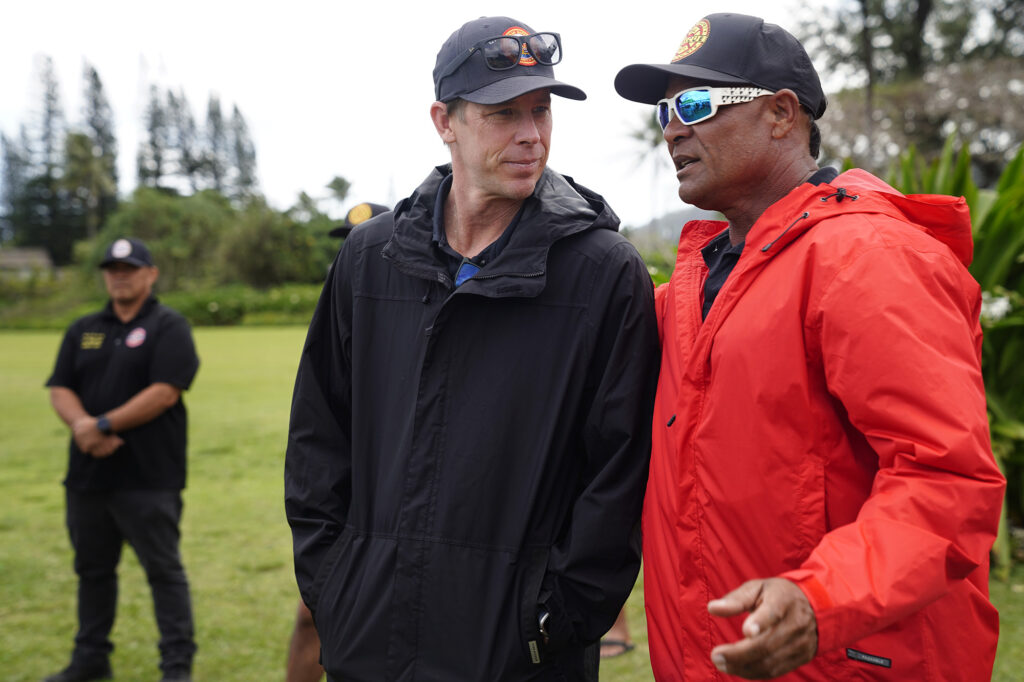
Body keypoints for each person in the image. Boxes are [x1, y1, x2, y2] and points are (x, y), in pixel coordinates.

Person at [614, 13, 1005, 681]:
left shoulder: (867, 257)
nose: (675, 127)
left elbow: (946, 480)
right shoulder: (691, 289)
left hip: (851, 660)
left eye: (698, 103)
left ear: (780, 114)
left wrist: (822, 599)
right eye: (666, 110)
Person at [285, 15, 659, 681]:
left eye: (542, 110)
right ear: (444, 120)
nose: (531, 135)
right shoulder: (370, 261)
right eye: (503, 112)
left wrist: (552, 621)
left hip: (521, 655)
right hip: (370, 638)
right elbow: (319, 435)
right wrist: (334, 586)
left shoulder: (603, 272)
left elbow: (619, 473)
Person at [44, 237, 200, 682]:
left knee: (163, 572)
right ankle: (90, 658)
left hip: (149, 477)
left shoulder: (169, 326)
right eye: (112, 269)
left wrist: (104, 425)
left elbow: (166, 390)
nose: (119, 275)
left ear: (150, 274)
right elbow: (60, 387)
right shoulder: (84, 328)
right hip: (88, 476)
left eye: (129, 268)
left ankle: (176, 667)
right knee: (92, 571)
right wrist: (83, 428)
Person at [285, 202, 388, 682]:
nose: (352, 249)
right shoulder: (341, 296)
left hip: (392, 498)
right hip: (341, 493)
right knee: (312, 614)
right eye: (345, 240)